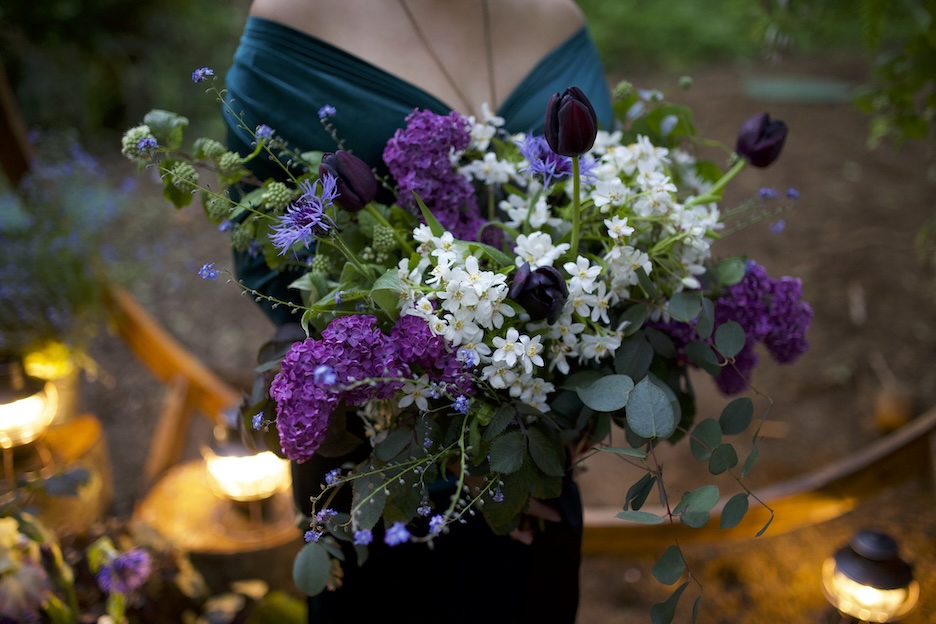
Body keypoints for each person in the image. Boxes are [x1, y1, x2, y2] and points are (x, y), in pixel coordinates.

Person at [222, 2, 614, 621]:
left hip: (535, 454)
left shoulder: (556, 13)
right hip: (386, 475)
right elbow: (275, 265)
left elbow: (602, 218)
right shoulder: (299, 19)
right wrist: (460, 442)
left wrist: (568, 405)